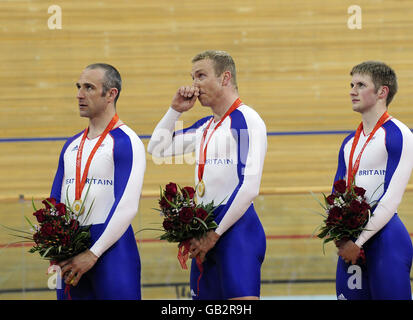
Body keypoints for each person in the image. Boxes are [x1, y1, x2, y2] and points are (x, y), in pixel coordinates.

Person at [147, 50, 267, 300]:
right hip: (205, 232)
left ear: (225, 78)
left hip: (236, 232)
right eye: (192, 77)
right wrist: (175, 111)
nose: (194, 85)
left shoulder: (247, 120)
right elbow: (156, 148)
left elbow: (249, 187)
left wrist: (215, 234)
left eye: (201, 76)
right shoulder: (206, 126)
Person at [50, 63, 146, 299]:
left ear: (111, 94)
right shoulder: (71, 145)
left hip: (112, 252)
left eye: (89, 88)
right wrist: (53, 247)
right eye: (79, 87)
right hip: (71, 250)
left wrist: (93, 253)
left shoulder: (126, 141)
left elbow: (127, 206)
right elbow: (55, 201)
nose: (79, 94)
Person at [333, 61, 413, 300]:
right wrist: (340, 236)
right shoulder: (349, 142)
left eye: (360, 85)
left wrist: (358, 241)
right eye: (351, 84)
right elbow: (336, 194)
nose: (352, 90)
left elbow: (391, 197)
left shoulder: (399, 134)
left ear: (382, 92)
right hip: (352, 243)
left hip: (386, 240)